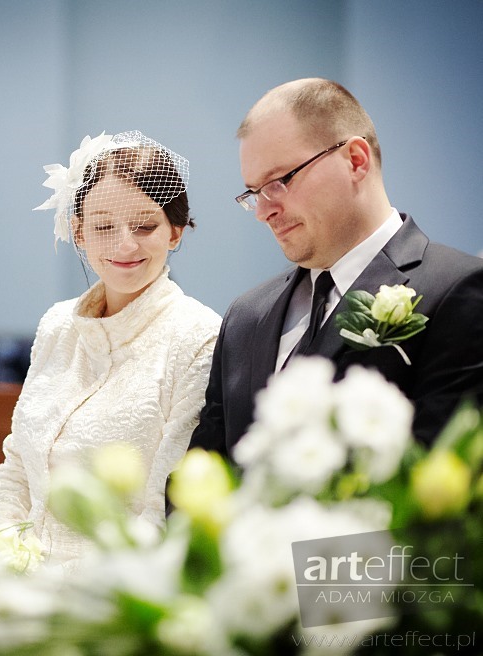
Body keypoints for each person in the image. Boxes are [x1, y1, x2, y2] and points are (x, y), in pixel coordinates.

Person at [190, 78, 483, 459]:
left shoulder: (457, 291)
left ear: (355, 160)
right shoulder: (245, 317)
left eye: (279, 181)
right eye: (253, 193)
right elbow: (201, 474)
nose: (263, 212)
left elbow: (443, 482)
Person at [0, 131, 221, 567]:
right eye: (104, 225)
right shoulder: (57, 326)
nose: (124, 244)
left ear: (176, 232)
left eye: (145, 225)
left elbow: (164, 509)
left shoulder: (198, 336)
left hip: (115, 589)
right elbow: (17, 465)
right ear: (79, 232)